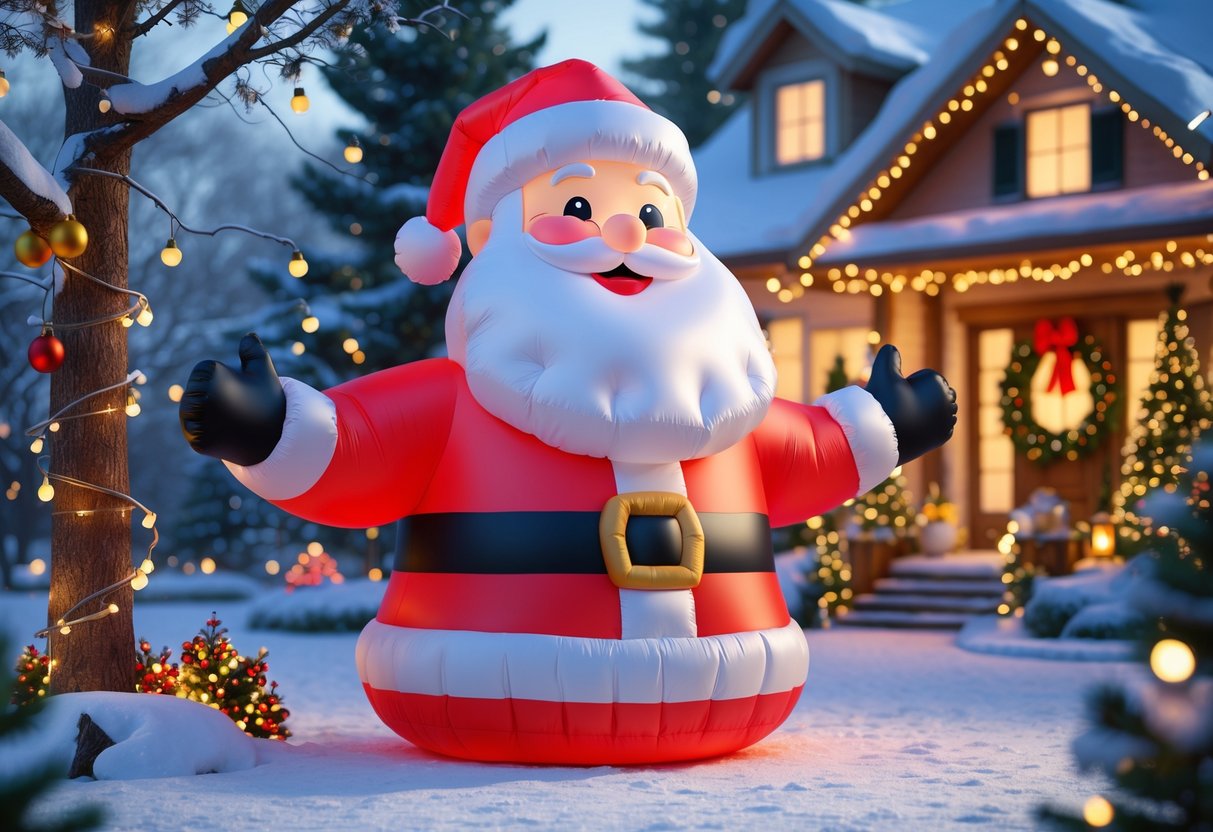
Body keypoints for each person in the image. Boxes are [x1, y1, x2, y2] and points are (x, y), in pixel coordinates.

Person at [180, 60, 957, 764]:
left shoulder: (724, 398)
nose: (625, 234)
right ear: (493, 238)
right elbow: (356, 450)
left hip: (736, 680)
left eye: (653, 216)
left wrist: (881, 426)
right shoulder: (458, 401)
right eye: (577, 205)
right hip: (487, 680)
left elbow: (805, 452)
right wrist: (267, 430)